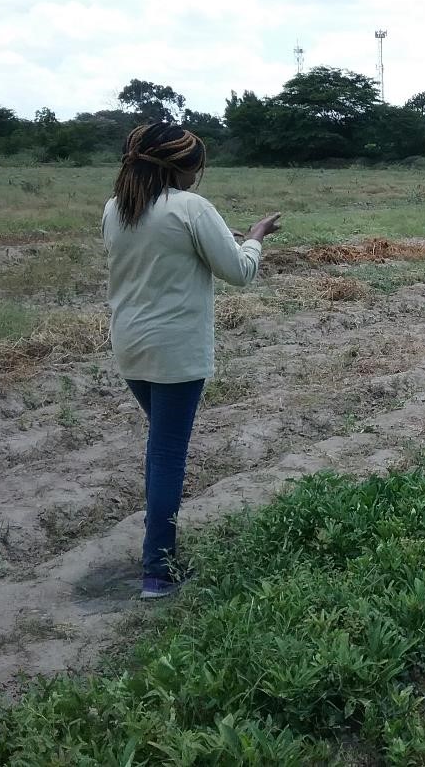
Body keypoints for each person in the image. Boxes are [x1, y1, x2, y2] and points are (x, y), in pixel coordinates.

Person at [102, 123, 281, 599]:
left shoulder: (116, 209)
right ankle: (158, 571)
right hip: (177, 351)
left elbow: (164, 252)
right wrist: (257, 236)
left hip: (130, 346)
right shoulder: (191, 208)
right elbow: (240, 272)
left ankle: (159, 559)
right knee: (165, 456)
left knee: (163, 445)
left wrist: (219, 236)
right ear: (185, 169)